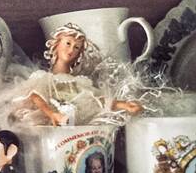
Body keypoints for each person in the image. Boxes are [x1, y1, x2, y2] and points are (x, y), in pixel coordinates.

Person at [15, 24, 143, 126]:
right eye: (68, 43)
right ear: (57, 44)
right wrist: (51, 114)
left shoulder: (79, 82)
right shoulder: (43, 77)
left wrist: (124, 105)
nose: (71, 50)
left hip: (73, 125)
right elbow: (35, 96)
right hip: (49, 126)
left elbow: (96, 100)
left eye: (76, 47)